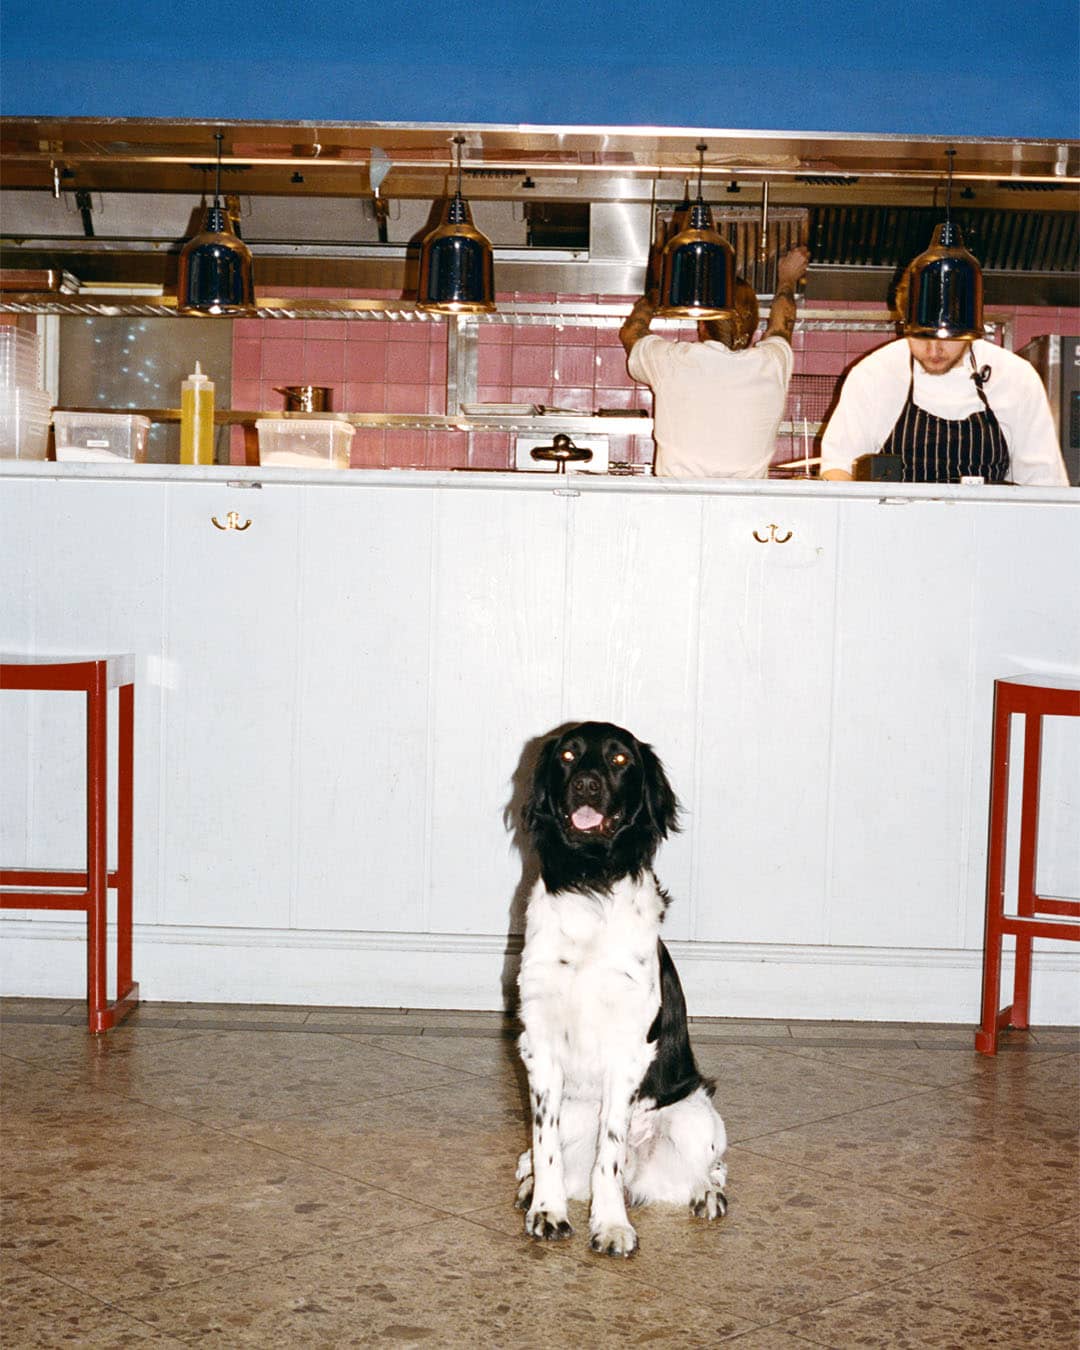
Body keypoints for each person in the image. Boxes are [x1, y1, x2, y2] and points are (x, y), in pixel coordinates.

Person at [819, 285, 1068, 485]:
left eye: (947, 336)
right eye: (921, 335)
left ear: (972, 329)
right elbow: (838, 468)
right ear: (905, 323)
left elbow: (1044, 486)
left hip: (992, 540)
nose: (933, 349)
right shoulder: (874, 375)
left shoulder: (1015, 378)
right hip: (894, 538)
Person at [619, 246, 811, 478]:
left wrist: (659, 289)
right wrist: (787, 279)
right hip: (745, 509)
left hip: (676, 507)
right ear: (753, 326)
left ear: (702, 324)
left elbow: (632, 331)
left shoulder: (673, 362)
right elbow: (782, 324)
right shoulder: (772, 363)